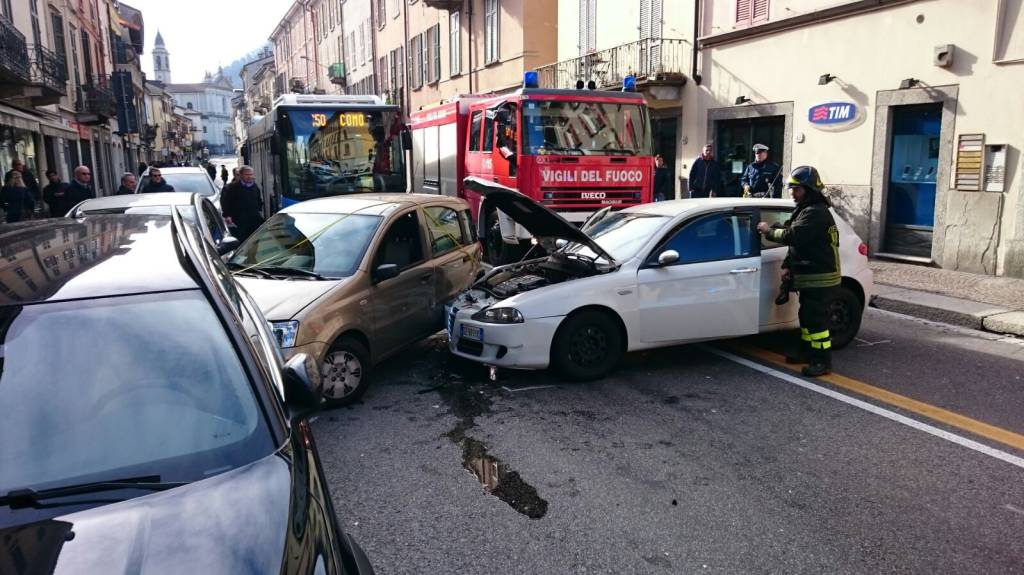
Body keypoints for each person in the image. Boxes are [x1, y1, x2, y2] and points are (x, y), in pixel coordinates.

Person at [756, 166, 840, 377]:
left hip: (820, 277)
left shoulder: (815, 213)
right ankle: (806, 351)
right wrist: (787, 265)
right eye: (791, 189)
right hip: (810, 275)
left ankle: (822, 361)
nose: (792, 193)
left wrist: (767, 231)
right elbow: (800, 246)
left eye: (797, 189)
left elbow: (793, 236)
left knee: (816, 322)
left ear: (809, 189)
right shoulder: (806, 209)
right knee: (806, 316)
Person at [221, 165, 264, 240]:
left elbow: (258, 200)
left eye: (251, 174)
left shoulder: (255, 187)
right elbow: (226, 202)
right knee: (242, 241)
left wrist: (259, 211)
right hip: (239, 222)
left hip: (254, 221)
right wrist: (228, 216)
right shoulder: (232, 187)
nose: (249, 176)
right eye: (247, 174)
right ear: (241, 175)